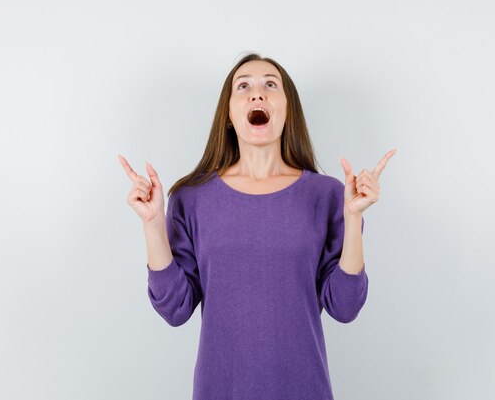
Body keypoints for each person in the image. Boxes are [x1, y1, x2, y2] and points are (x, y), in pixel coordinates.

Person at [118, 53, 396, 400]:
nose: (257, 93)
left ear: (287, 110)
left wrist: (354, 218)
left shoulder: (326, 196)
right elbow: (175, 308)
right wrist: (153, 223)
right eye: (244, 85)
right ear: (230, 116)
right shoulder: (192, 198)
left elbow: (345, 306)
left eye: (270, 84)